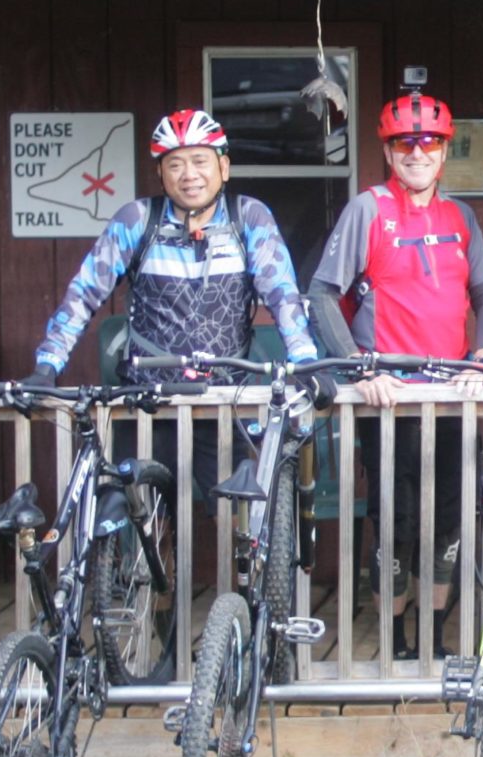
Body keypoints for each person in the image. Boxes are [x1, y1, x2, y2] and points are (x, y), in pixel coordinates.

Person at [309, 85, 483, 651]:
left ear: (445, 152)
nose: (416, 154)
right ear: (389, 153)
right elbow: (322, 295)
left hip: (450, 393)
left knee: (447, 519)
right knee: (394, 522)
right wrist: (358, 369)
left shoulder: (460, 215)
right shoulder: (368, 208)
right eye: (404, 145)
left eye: (428, 144)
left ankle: (432, 635)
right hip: (388, 395)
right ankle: (394, 635)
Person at [29, 110, 317, 494]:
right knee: (141, 515)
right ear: (161, 174)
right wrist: (47, 366)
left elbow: (282, 295)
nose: (189, 174)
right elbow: (83, 293)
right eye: (175, 164)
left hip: (224, 399)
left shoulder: (248, 217)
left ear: (224, 167)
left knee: (237, 519)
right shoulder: (136, 219)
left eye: (200, 161)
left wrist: (307, 361)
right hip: (149, 400)